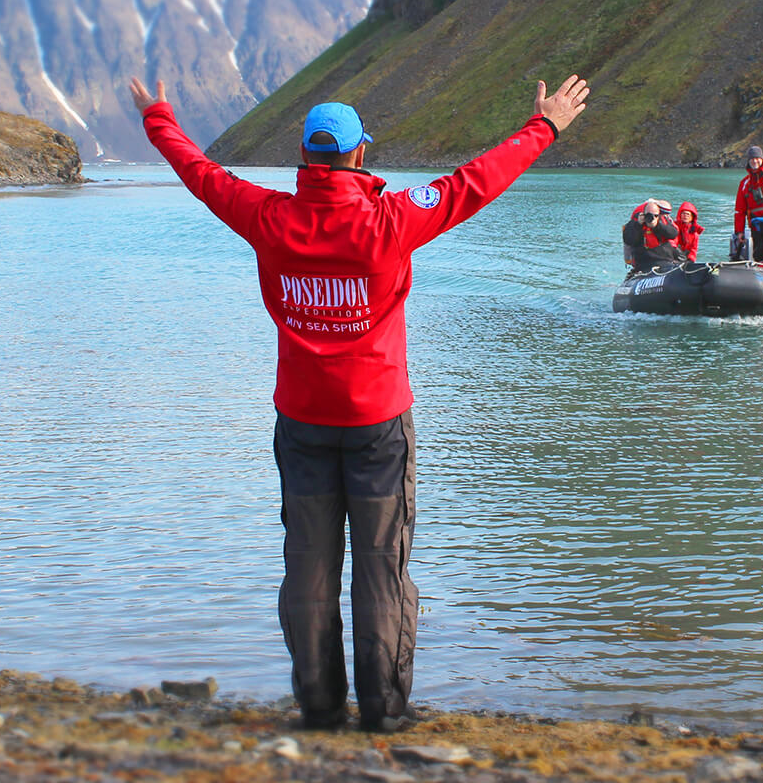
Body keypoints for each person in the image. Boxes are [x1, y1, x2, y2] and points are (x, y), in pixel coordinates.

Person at [130, 71, 590, 733]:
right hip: (377, 422)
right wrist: (544, 126)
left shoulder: (268, 216)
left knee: (309, 566)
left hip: (301, 420)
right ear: (359, 154)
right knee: (382, 566)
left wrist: (158, 117)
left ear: (306, 154)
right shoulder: (392, 220)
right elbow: (474, 184)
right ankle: (383, 711)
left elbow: (199, 172)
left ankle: (319, 706)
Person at [622, 199, 680, 275]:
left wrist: (657, 226)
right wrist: (638, 224)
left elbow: (673, 234)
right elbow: (628, 240)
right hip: (644, 264)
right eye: (648, 215)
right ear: (643, 214)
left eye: (655, 215)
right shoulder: (634, 224)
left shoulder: (663, 221)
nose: (652, 218)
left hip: (665, 260)